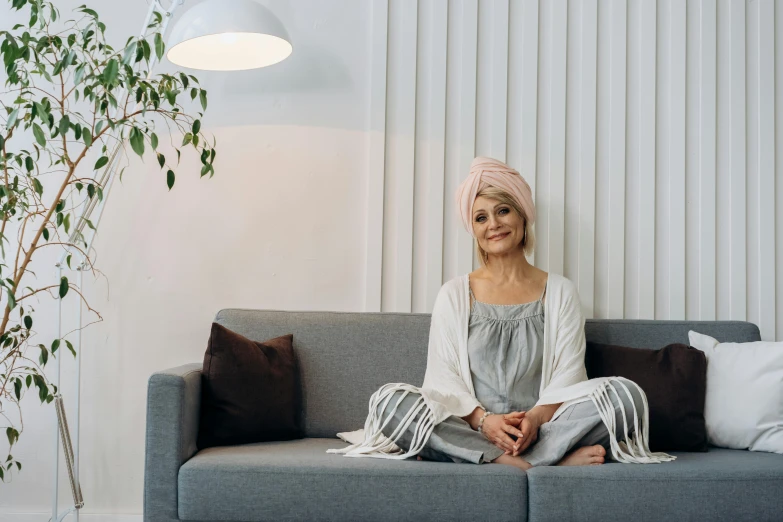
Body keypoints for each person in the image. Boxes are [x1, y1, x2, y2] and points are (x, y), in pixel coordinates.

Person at [328, 157, 674, 469]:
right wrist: (485, 422)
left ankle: (491, 455)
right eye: (481, 217)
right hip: (472, 427)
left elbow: (568, 375)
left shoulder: (560, 292)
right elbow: (442, 379)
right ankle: (536, 462)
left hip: (544, 427)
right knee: (389, 402)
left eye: (503, 211)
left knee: (626, 398)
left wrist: (535, 421)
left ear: (522, 215)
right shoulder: (453, 294)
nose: (493, 223)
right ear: (475, 231)